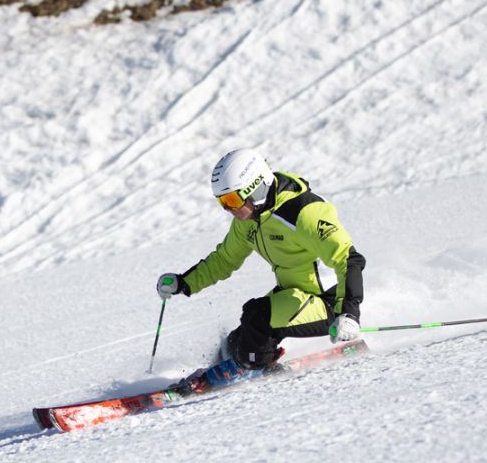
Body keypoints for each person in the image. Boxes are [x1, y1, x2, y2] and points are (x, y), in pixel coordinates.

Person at [156, 148, 366, 393]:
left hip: (329, 302)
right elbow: (225, 259)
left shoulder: (304, 212)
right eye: (222, 202)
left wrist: (349, 314)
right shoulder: (249, 220)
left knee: (256, 317)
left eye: (232, 200)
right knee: (232, 345)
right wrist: (184, 282)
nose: (229, 209)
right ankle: (246, 363)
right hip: (294, 295)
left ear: (256, 187)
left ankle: (251, 368)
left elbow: (348, 259)